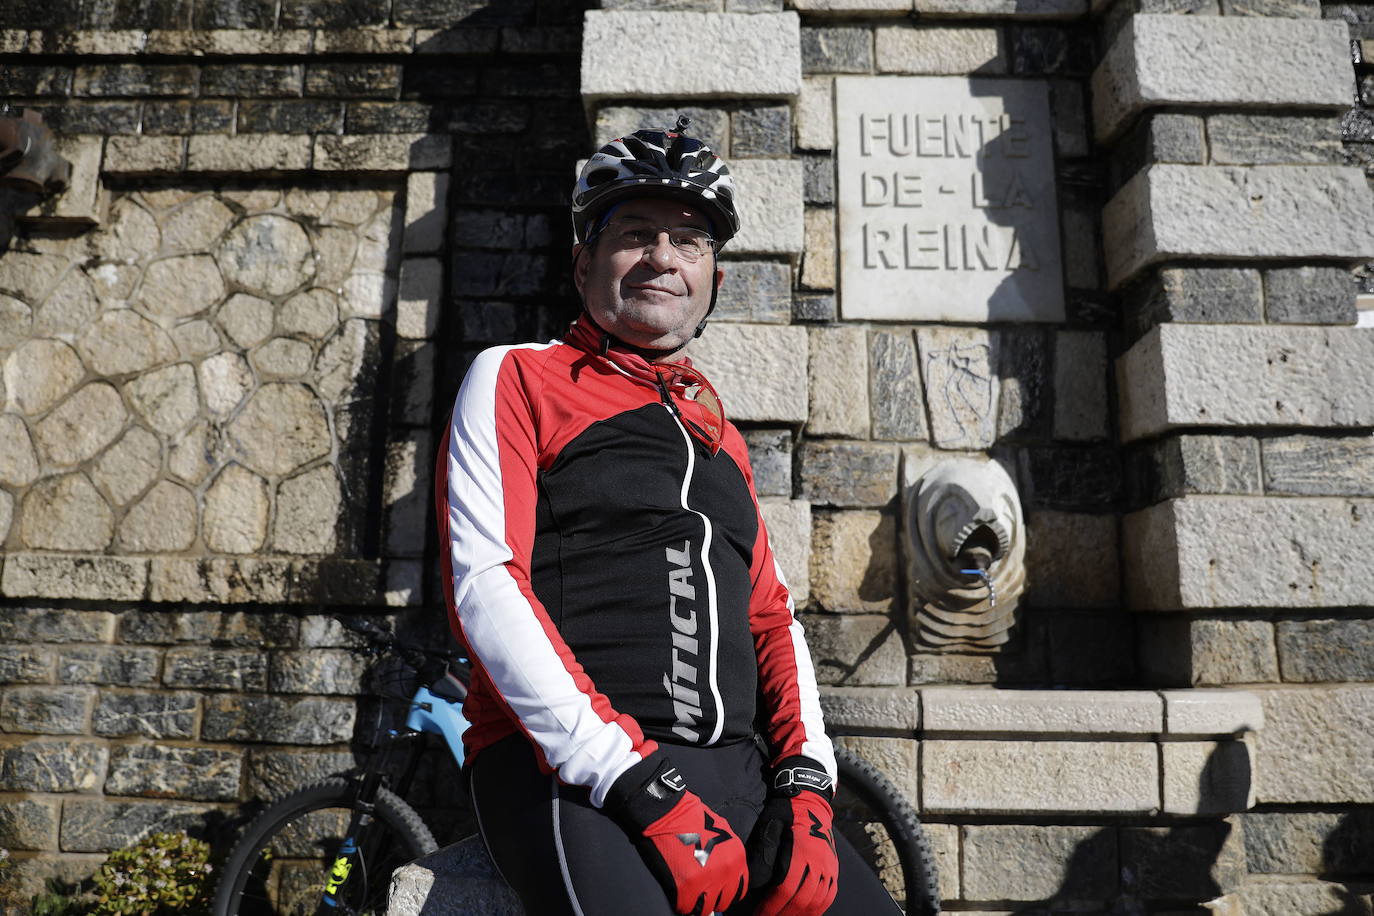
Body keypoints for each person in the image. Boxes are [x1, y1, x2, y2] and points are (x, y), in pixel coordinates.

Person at [436, 117, 901, 916]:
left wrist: (808, 782)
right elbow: (486, 583)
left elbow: (771, 620)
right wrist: (631, 777)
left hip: (737, 770)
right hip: (570, 768)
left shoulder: (721, 436)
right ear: (584, 265)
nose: (662, 257)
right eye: (635, 233)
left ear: (713, 281)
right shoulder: (517, 376)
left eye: (689, 241)